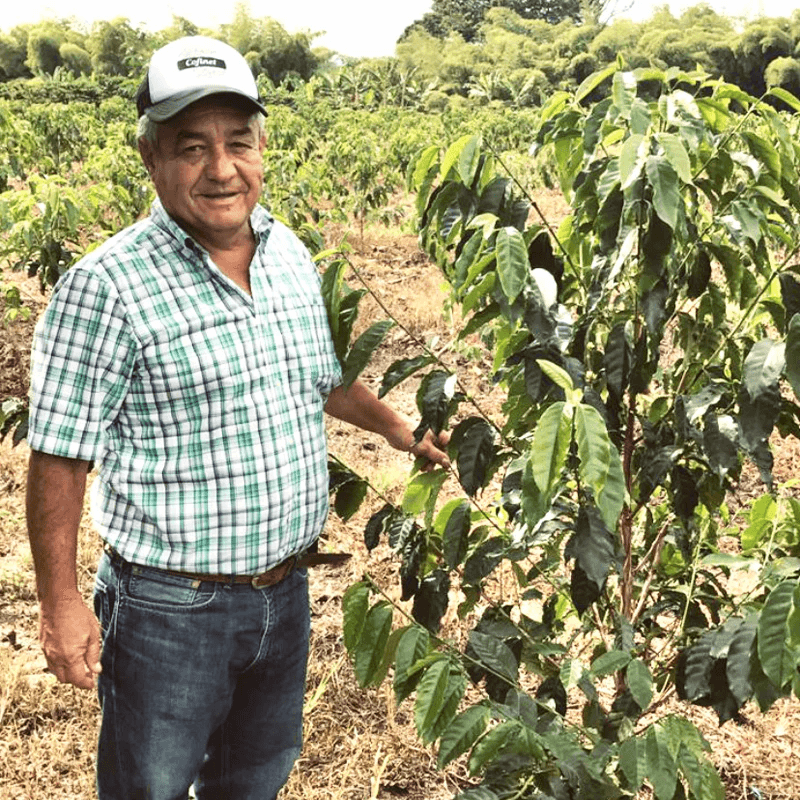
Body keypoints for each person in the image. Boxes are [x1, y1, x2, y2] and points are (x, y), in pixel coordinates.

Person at [25, 36, 449, 800]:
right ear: (152, 158)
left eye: (238, 142)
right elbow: (59, 454)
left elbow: (317, 375)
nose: (221, 169)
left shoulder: (286, 251)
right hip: (168, 609)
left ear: (262, 147)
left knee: (255, 779)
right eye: (192, 147)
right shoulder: (106, 288)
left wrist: (397, 428)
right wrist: (58, 605)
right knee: (149, 787)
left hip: (283, 595)